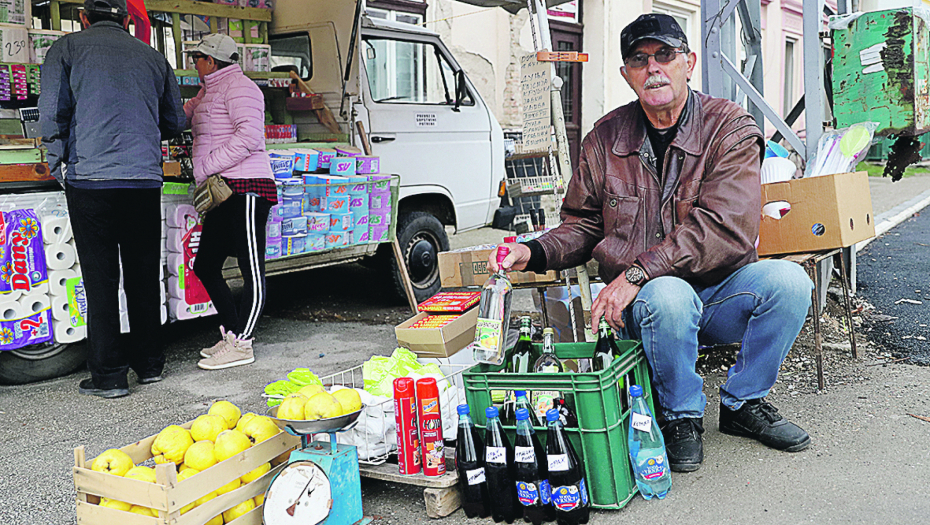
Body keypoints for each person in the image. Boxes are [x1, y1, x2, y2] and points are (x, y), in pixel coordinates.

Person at [490, 14, 813, 472]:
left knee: (790, 281)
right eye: (639, 60)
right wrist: (533, 251)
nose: (653, 68)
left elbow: (726, 226)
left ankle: (743, 404)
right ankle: (679, 414)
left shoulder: (730, 127)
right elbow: (582, 224)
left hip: (718, 295)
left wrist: (636, 273)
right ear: (627, 74)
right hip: (645, 311)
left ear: (689, 63)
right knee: (667, 293)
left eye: (665, 55)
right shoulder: (605, 137)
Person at [39, 0, 185, 398]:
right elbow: (175, 120)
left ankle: (109, 377)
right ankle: (150, 365)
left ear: (84, 18)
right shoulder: (154, 58)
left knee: (101, 280)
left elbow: (52, 112)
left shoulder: (66, 49)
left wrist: (57, 161)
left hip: (91, 180)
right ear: (125, 21)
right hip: (142, 180)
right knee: (142, 274)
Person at [183, 34, 277, 370]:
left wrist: (205, 166)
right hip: (223, 189)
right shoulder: (209, 90)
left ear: (211, 61)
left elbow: (249, 137)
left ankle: (244, 342)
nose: (194, 64)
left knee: (251, 269)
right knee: (206, 265)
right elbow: (191, 116)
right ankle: (232, 332)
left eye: (197, 58)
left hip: (247, 187)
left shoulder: (242, 87)